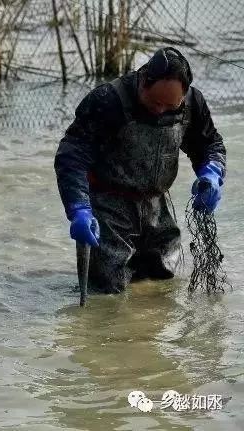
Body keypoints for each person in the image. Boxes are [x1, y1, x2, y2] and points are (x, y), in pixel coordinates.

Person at [54, 47, 226, 293]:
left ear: (184, 95)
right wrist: (79, 208)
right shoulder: (108, 101)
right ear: (144, 80)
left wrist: (212, 173)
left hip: (157, 205)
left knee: (162, 283)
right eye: (155, 102)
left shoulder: (191, 104)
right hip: (108, 206)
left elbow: (209, 144)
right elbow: (71, 156)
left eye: (170, 106)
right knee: (107, 291)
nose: (160, 111)